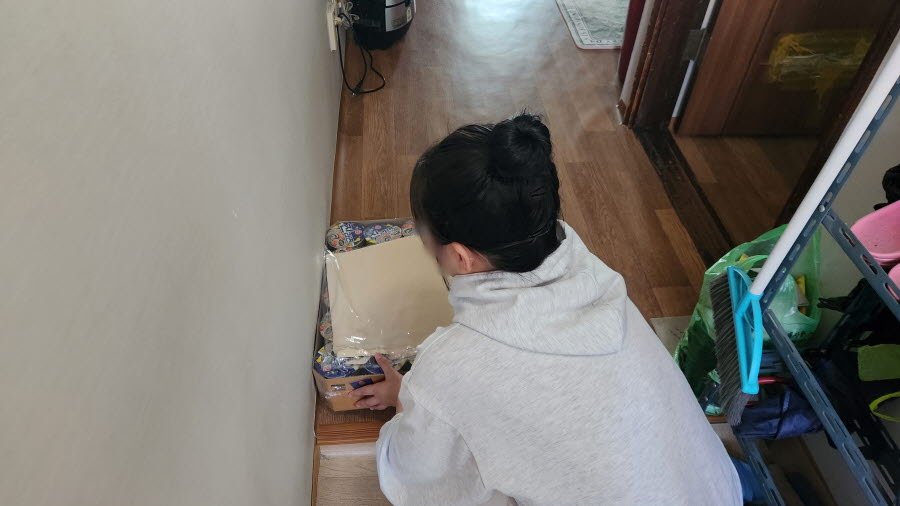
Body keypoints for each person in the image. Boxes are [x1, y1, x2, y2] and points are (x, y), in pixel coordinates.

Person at [348, 113, 742, 505]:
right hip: (716, 489)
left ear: (460, 257)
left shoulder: (449, 367)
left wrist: (415, 402)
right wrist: (427, 401)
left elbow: (417, 485)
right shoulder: (595, 274)